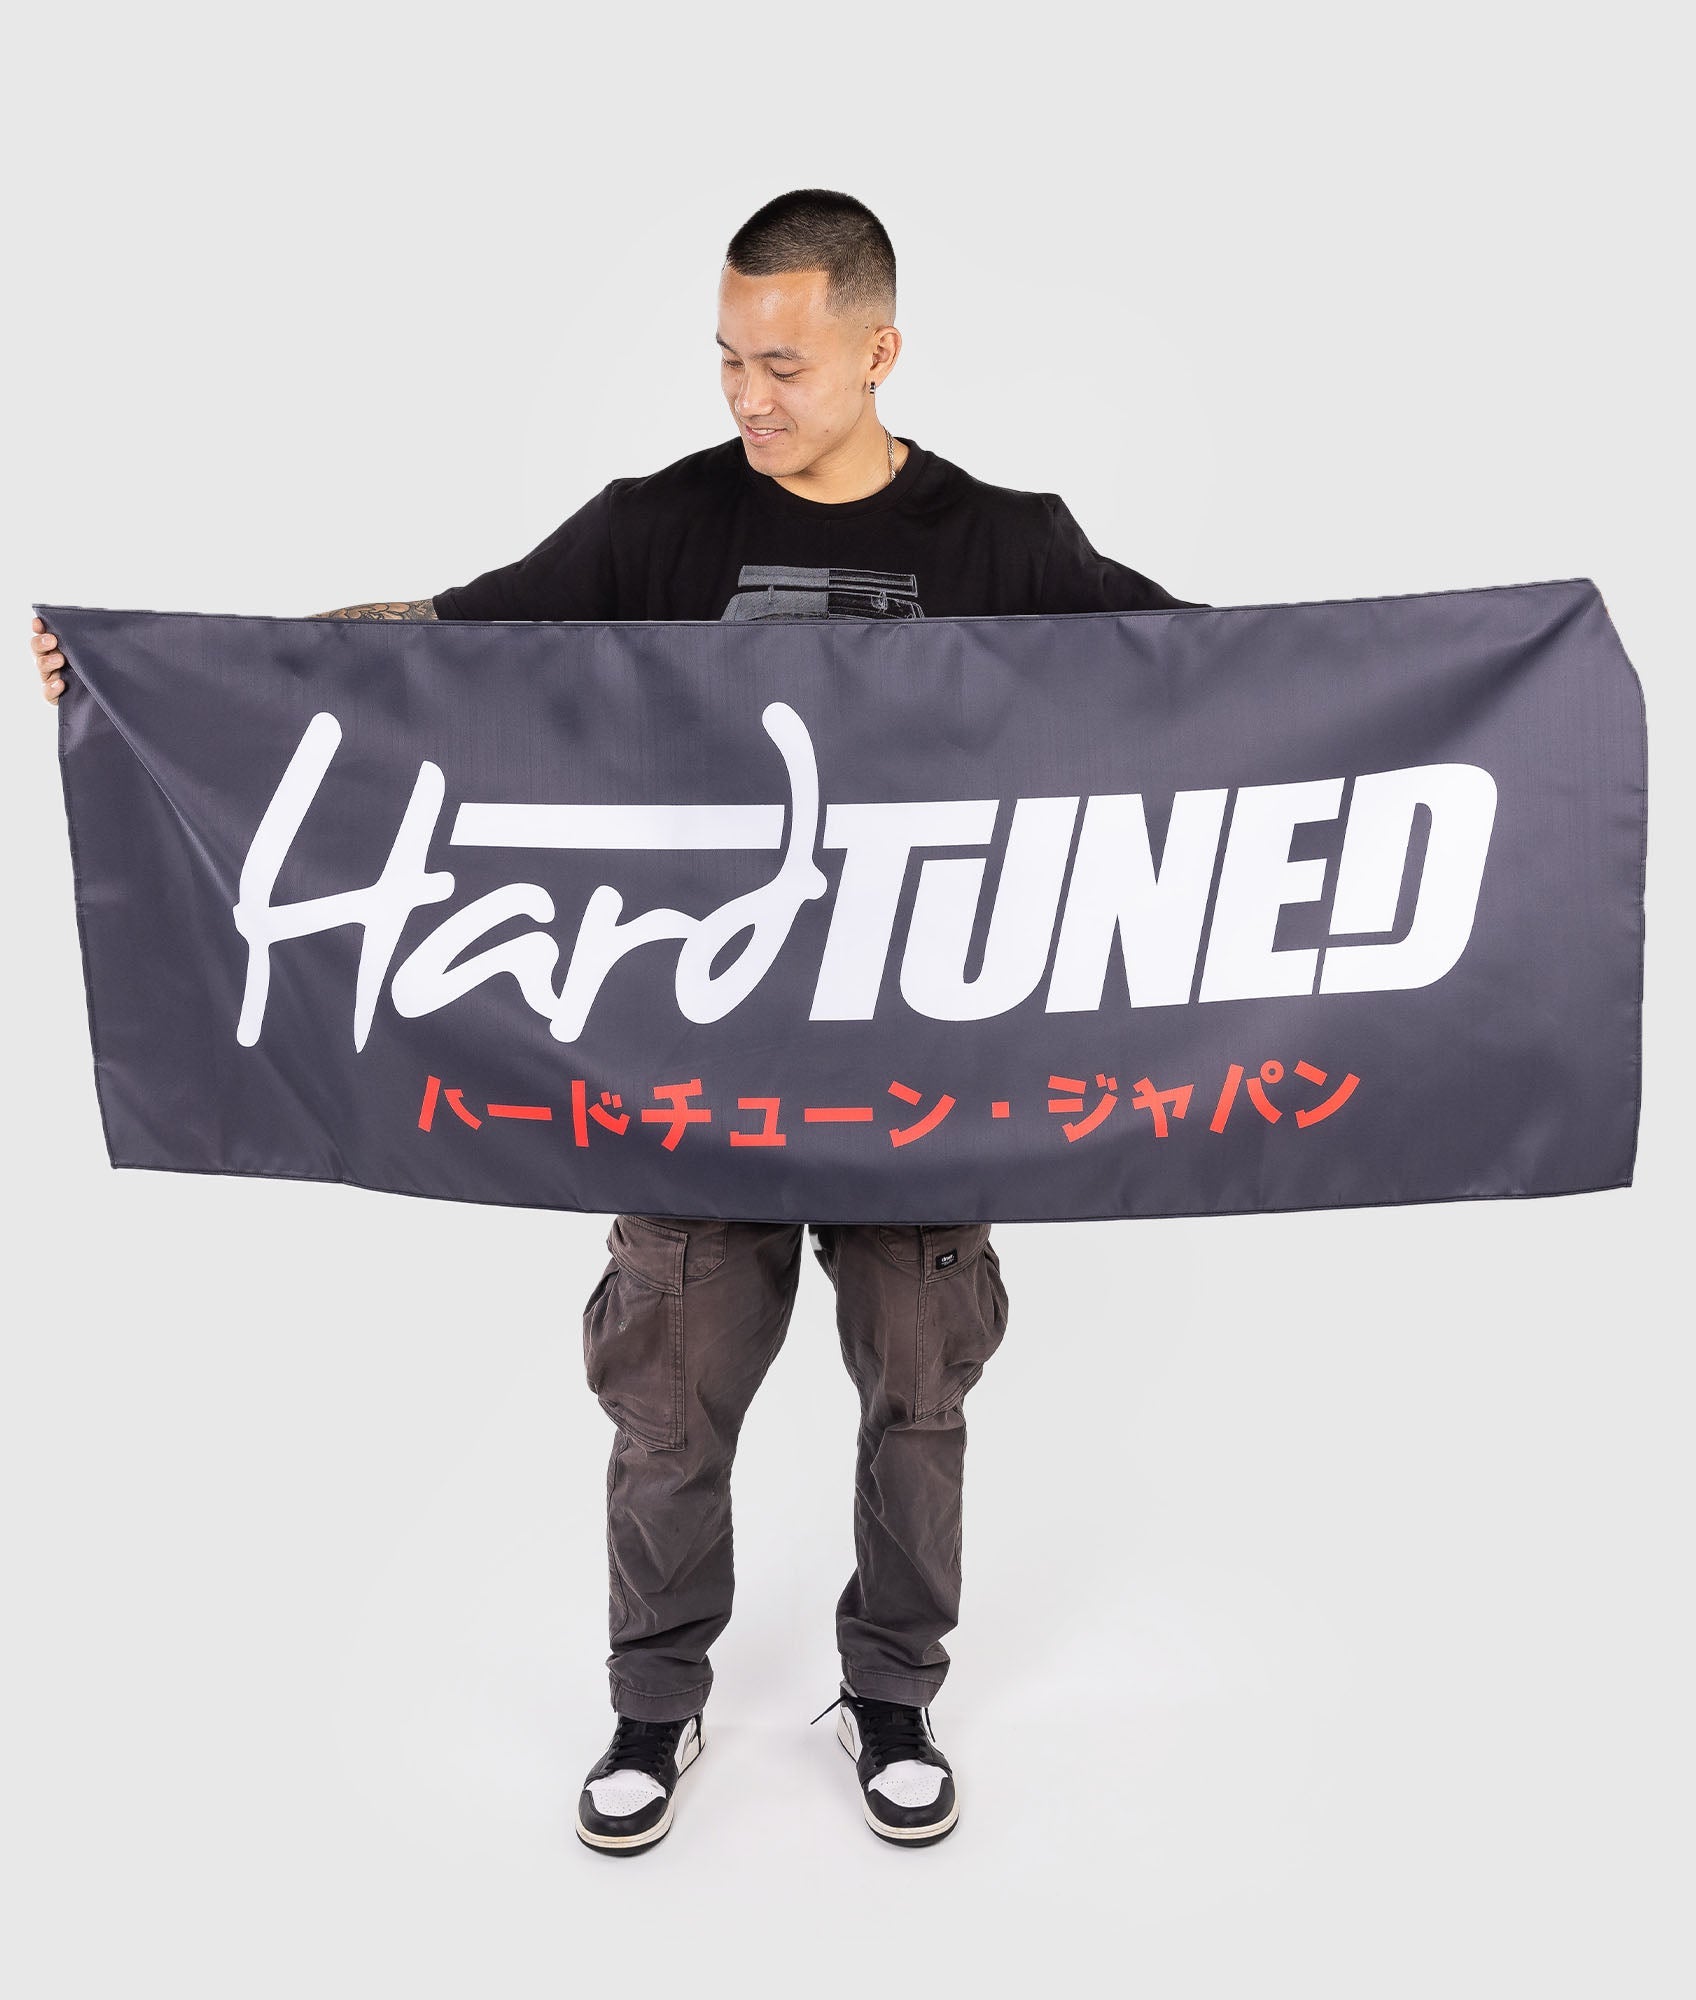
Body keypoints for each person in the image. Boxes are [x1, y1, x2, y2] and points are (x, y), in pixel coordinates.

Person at [30, 189, 1203, 1856]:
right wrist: (158, 671)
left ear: (880, 349)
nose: (748, 396)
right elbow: (437, 653)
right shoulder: (657, 528)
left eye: (785, 365)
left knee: (920, 1400)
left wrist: (1451, 683)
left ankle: (892, 1696)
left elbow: (1215, 687)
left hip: (918, 1073)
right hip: (691, 1069)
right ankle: (655, 1707)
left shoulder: (1010, 545)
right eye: (728, 359)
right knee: (667, 1407)